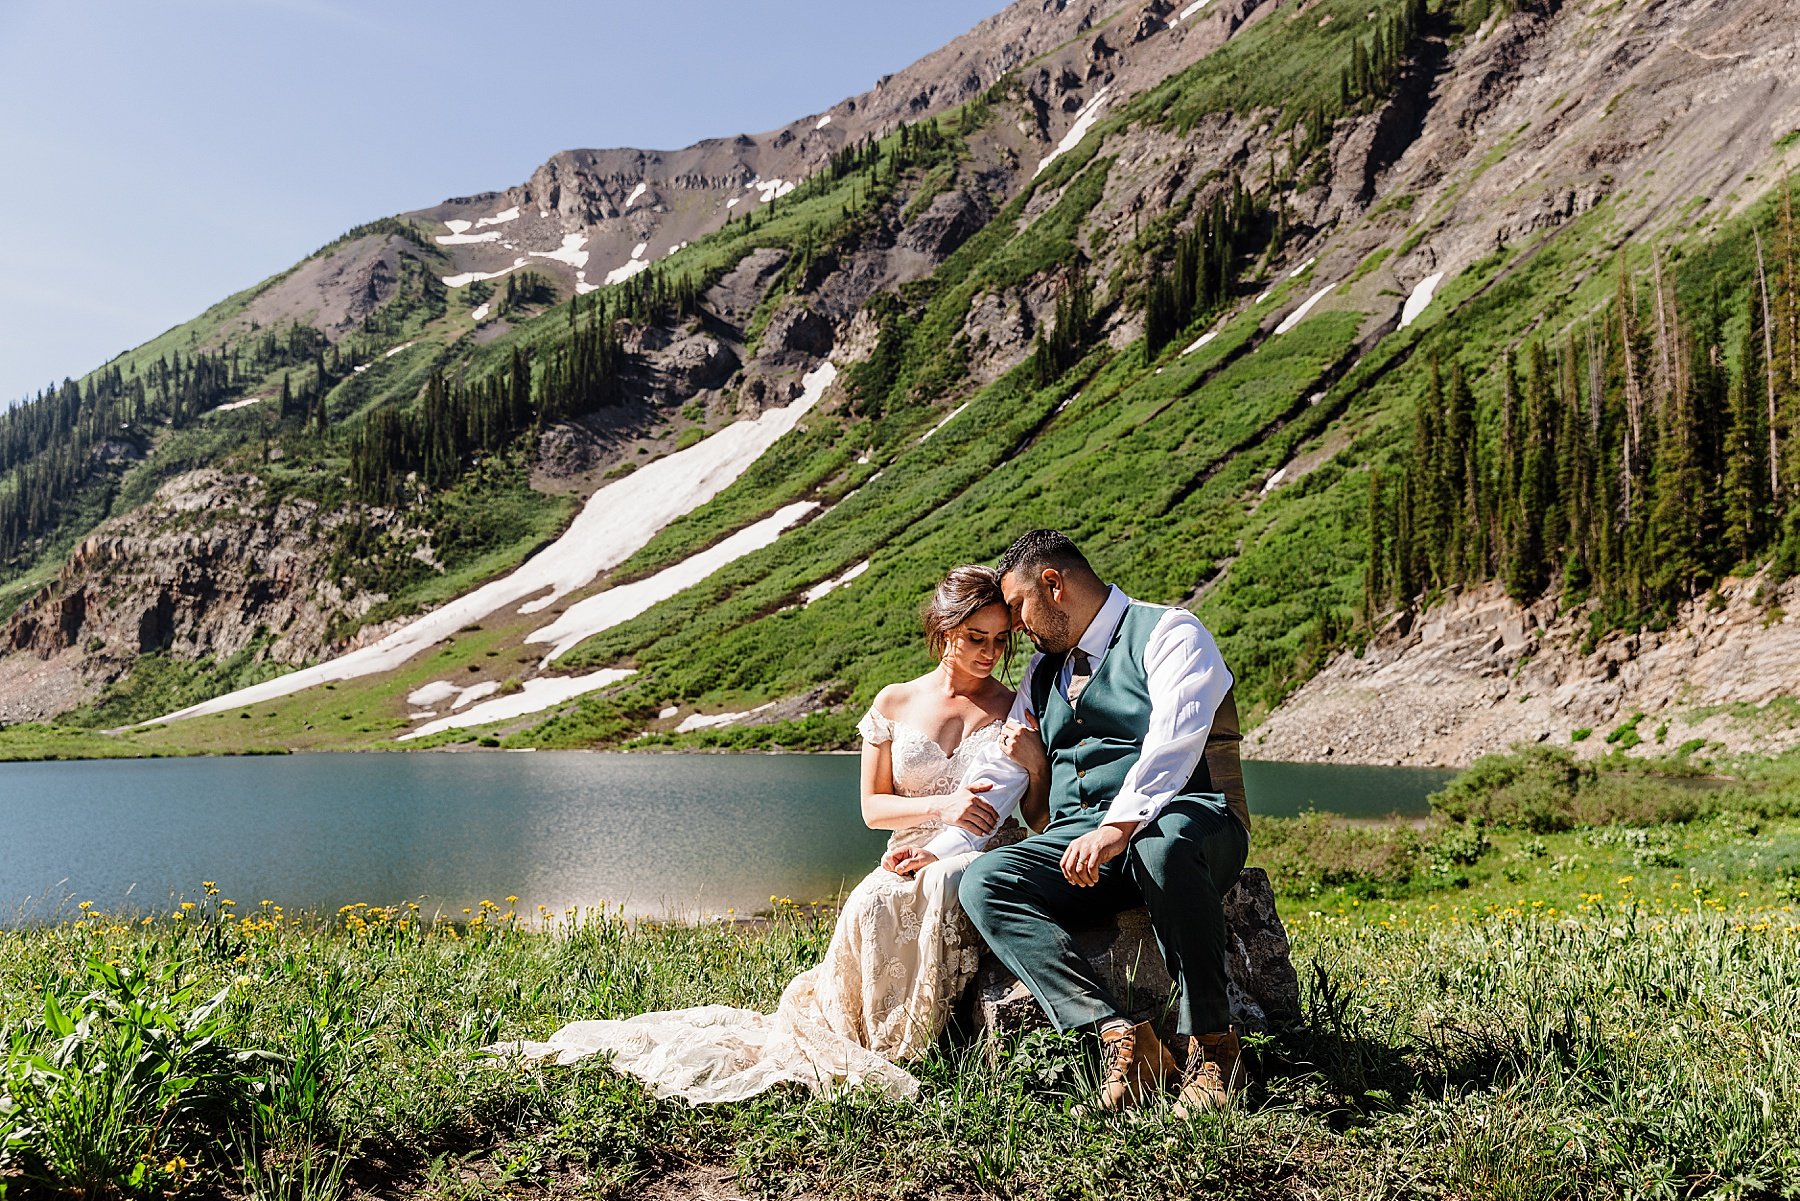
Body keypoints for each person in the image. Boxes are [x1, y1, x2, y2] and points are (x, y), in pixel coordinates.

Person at [492, 565, 1047, 1103]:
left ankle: (916, 1044)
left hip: (975, 850)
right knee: (873, 899)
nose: (990, 653)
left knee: (941, 883)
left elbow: (1031, 807)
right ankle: (873, 1039)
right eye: (977, 637)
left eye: (1001, 641)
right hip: (903, 849)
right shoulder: (893, 702)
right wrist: (943, 805)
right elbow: (873, 810)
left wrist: (1034, 765)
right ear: (945, 629)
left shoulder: (1015, 706)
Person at [884, 530, 1250, 1116]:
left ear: (1052, 585)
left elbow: (1172, 743)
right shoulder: (1040, 674)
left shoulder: (1170, 633)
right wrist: (946, 846)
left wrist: (1118, 827)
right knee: (985, 881)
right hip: (1088, 843)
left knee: (1162, 846)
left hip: (1192, 823)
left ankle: (1212, 1045)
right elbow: (1005, 774)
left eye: (1020, 608)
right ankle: (1121, 1036)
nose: (1016, 627)